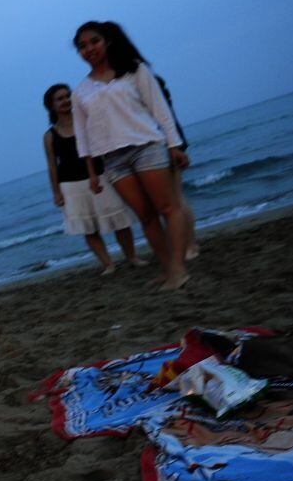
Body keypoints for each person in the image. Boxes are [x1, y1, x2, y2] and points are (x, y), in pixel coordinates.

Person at [71, 21, 190, 291]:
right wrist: (92, 173)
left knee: (168, 208)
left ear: (107, 41)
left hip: (146, 146)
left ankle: (178, 268)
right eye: (82, 46)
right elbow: (84, 137)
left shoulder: (134, 70)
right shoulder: (80, 92)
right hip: (112, 160)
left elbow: (159, 109)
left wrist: (175, 145)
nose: (89, 48)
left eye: (94, 41)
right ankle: (167, 267)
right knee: (145, 216)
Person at [42, 84, 145, 274]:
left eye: (67, 96)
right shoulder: (49, 136)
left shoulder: (87, 122)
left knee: (119, 219)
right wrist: (56, 192)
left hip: (100, 176)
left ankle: (131, 257)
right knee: (88, 227)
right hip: (71, 185)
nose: (65, 101)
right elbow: (52, 166)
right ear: (51, 106)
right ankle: (108, 264)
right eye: (60, 99)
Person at [155, 75, 200, 260]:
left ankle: (190, 245)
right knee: (172, 200)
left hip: (165, 145)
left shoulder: (148, 82)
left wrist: (175, 147)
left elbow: (165, 119)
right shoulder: (148, 81)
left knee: (175, 199)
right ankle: (186, 244)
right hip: (161, 146)